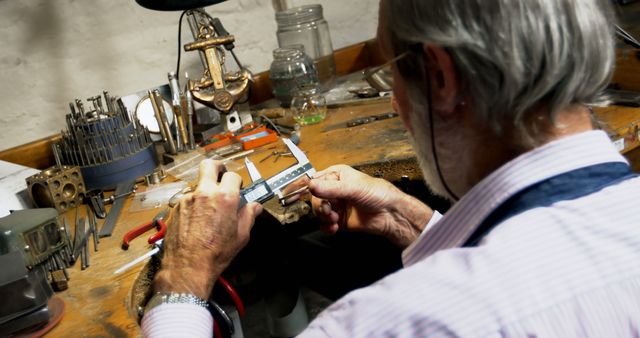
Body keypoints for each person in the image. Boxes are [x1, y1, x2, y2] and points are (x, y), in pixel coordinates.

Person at [142, 0, 640, 336]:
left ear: (441, 78)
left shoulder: (393, 320)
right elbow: (539, 257)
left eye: (392, 69)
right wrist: (413, 222)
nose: (398, 101)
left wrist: (185, 275)